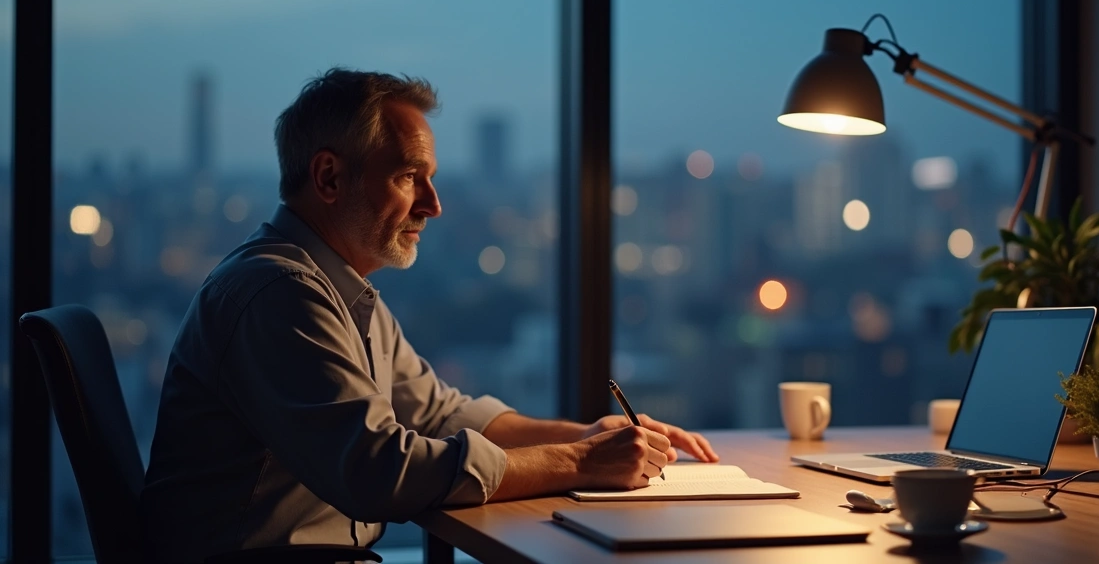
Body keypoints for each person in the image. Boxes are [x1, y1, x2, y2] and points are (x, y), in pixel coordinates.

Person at [139, 68, 718, 563]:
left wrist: (589, 436)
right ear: (329, 178)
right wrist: (579, 462)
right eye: (409, 177)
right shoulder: (278, 293)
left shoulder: (340, 290)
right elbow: (380, 472)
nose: (433, 204)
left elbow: (443, 412)